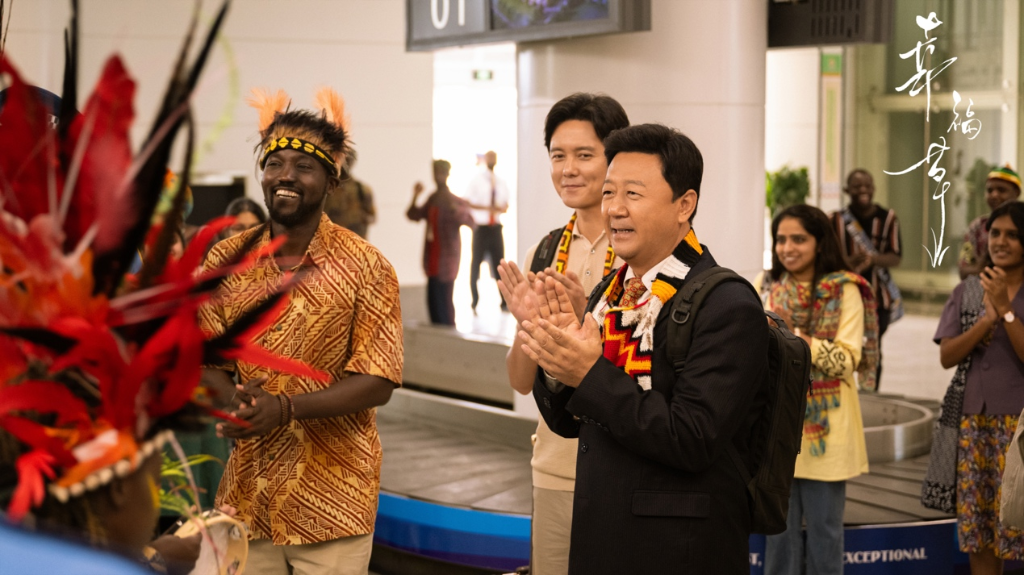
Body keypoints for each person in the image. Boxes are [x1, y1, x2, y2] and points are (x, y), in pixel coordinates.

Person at [519, 124, 769, 574]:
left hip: (677, 551)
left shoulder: (727, 304)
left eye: (633, 194)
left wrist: (589, 373)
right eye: (609, 192)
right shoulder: (610, 294)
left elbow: (692, 439)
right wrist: (558, 365)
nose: (614, 208)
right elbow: (569, 424)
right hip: (601, 535)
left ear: (684, 205)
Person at [199, 87, 404, 575]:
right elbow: (206, 360)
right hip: (246, 496)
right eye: (274, 163)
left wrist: (285, 408)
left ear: (331, 180)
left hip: (334, 500)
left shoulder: (367, 266)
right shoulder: (226, 260)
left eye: (304, 166)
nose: (285, 175)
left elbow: (378, 379)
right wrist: (237, 405)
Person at [497, 92, 628, 575]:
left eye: (584, 155)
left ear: (616, 158)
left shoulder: (641, 248)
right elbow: (519, 381)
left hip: (625, 466)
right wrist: (530, 324)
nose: (568, 169)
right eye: (558, 156)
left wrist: (582, 323)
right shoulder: (546, 251)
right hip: (555, 464)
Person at [760, 204, 878, 575]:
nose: (787, 248)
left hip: (828, 436)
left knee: (825, 538)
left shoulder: (846, 290)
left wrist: (794, 336)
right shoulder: (768, 287)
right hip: (778, 429)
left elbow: (846, 361)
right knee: (778, 538)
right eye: (781, 239)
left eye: (798, 239)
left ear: (820, 242)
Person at [934, 201, 1024, 575]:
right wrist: (986, 321)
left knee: (1018, 525)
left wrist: (1006, 310)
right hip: (975, 426)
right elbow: (947, 356)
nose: (1000, 241)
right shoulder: (968, 290)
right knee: (980, 533)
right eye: (995, 233)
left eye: (1013, 235)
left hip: (1019, 428)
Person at [830, 168, 901, 390]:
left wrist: (873, 260)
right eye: (857, 186)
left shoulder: (888, 218)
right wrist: (847, 262)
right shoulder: (835, 220)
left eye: (867, 185)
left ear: (874, 188)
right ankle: (845, 390)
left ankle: (870, 393)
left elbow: (896, 256)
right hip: (841, 298)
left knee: (873, 347)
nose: (863, 190)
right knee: (842, 345)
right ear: (846, 190)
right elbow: (827, 257)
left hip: (878, 300)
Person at [406, 159, 475, 325]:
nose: (438, 176)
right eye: (435, 172)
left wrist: (455, 210)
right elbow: (413, 214)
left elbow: (471, 222)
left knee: (445, 305)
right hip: (432, 259)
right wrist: (415, 196)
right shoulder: (433, 199)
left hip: (447, 261)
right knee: (433, 304)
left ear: (447, 174)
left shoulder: (454, 200)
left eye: (441, 173)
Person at [465, 150, 510, 312]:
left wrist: (498, 209)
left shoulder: (500, 182)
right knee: (475, 263)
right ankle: (474, 300)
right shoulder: (477, 180)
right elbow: (468, 202)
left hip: (495, 227)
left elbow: (505, 204)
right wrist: (486, 208)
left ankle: (504, 301)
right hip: (481, 228)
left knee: (500, 264)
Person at [960, 165, 1022, 279]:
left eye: (1001, 190)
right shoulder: (977, 227)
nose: (994, 195)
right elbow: (963, 269)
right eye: (990, 190)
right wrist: (984, 270)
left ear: (1016, 192)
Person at [324, 149, 377, 239]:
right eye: (343, 159)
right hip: (329, 240)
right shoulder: (326, 187)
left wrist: (357, 219)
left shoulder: (362, 189)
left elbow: (372, 217)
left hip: (356, 242)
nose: (346, 163)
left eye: (349, 160)